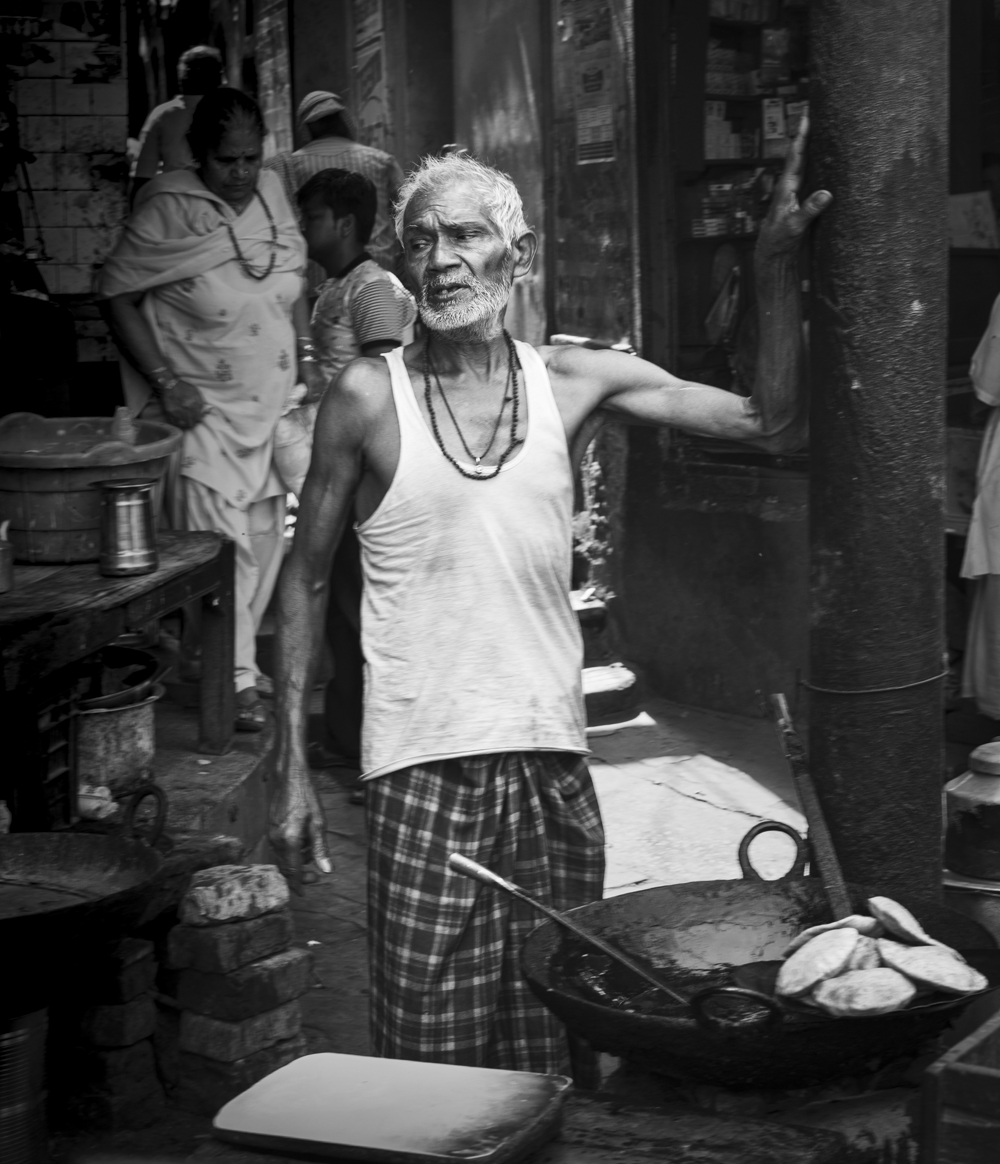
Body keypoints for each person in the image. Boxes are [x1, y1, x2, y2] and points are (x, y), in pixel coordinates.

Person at [270, 132, 830, 1074]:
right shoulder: (370, 396)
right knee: (428, 1057)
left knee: (559, 1032)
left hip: (551, 763)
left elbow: (768, 422)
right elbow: (306, 574)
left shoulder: (572, 381)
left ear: (516, 257)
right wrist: (287, 760)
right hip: (422, 768)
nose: (442, 260)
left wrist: (772, 266)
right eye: (420, 241)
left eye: (465, 235)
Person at [98, 88, 324, 732]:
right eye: (228, 160)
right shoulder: (166, 208)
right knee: (226, 554)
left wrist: (305, 353)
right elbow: (114, 291)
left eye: (252, 158)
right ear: (199, 155)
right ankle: (236, 686)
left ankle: (221, 660)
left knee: (263, 545)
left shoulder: (274, 194)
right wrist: (166, 381)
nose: (242, 173)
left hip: (273, 408)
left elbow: (294, 275)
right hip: (205, 417)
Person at [297, 168, 417, 772]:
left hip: (360, 477)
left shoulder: (371, 288)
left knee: (358, 611)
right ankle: (351, 741)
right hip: (336, 470)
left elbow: (385, 382)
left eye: (312, 217)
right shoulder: (338, 285)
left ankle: (381, 751)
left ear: (343, 223)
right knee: (344, 616)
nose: (303, 229)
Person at [264, 91, 403, 278]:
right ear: (344, 120)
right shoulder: (381, 160)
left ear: (306, 128)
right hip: (379, 270)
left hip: (314, 278)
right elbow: (405, 213)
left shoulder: (289, 166)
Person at [130, 45, 224, 205]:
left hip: (174, 208)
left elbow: (142, 176)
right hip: (221, 208)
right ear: (218, 79)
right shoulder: (231, 112)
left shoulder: (162, 115)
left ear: (182, 78)